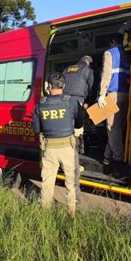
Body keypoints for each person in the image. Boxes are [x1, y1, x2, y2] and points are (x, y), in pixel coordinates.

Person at [32, 72, 84, 215]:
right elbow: (80, 123)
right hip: (68, 148)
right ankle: (72, 214)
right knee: (72, 183)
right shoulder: (71, 102)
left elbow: (36, 129)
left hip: (49, 149)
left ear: (49, 86)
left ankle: (45, 213)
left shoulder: (40, 105)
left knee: (47, 183)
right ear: (64, 86)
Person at [62, 55, 94, 197]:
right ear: (88, 62)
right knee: (78, 130)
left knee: (66, 130)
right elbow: (92, 86)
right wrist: (90, 101)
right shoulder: (87, 70)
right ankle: (76, 159)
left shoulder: (67, 68)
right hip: (78, 101)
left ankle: (66, 158)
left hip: (64, 101)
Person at [97, 33, 130, 169]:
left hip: (113, 94)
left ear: (112, 42)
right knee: (119, 127)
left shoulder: (110, 53)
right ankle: (107, 155)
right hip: (127, 94)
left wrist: (101, 94)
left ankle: (118, 157)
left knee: (111, 127)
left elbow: (106, 74)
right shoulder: (129, 54)